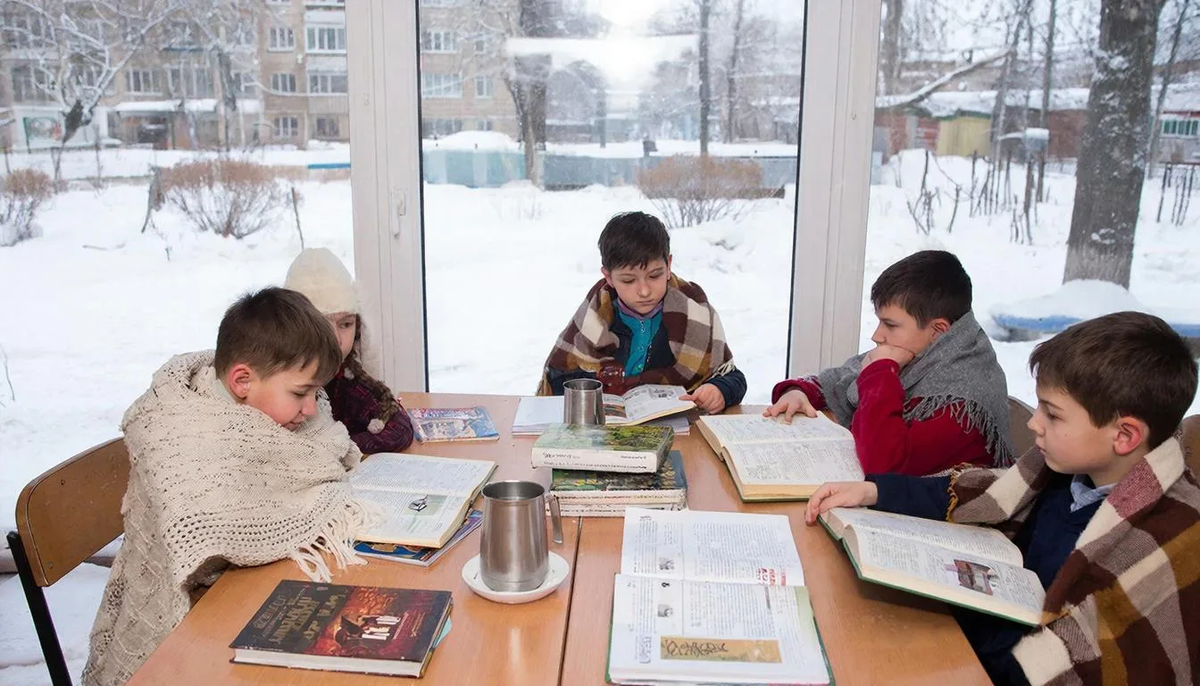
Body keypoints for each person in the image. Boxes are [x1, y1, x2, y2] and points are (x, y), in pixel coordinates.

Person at [804, 312, 1200, 685]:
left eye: (1053, 414)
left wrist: (947, 627)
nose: (1033, 423)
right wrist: (874, 490)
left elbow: (1075, 666)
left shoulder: (1167, 539)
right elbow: (988, 490)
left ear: (1125, 436)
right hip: (986, 641)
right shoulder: (1071, 475)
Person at [83, 288, 379, 686]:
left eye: (316, 392)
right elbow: (203, 540)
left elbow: (314, 461)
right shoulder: (185, 436)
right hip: (190, 628)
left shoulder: (271, 412)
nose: (312, 409)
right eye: (300, 393)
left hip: (247, 594)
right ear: (242, 380)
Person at [766, 250, 1013, 474]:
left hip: (940, 519)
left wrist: (880, 373)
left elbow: (883, 466)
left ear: (938, 330)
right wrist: (797, 391)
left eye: (890, 325)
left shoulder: (961, 401)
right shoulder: (926, 354)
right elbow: (840, 379)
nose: (876, 335)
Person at [537, 211, 746, 413]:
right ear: (608, 277)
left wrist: (720, 391)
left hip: (679, 434)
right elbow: (558, 378)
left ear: (669, 265)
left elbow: (733, 377)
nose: (644, 291)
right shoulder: (593, 318)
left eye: (654, 276)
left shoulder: (695, 311)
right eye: (628, 280)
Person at [285, 247, 414, 453]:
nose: (336, 339)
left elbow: (399, 429)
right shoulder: (274, 377)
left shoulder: (346, 378)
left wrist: (335, 447)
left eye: (346, 324)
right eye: (322, 325)